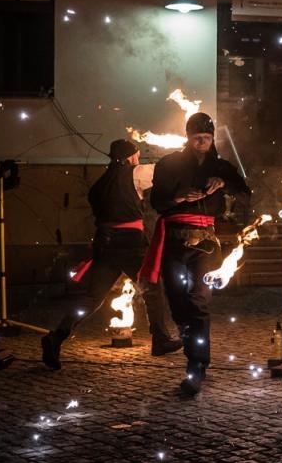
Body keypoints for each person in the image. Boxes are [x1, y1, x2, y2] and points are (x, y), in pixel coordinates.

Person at [41, 140, 182, 369]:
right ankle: (160, 339)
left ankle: (56, 337)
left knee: (91, 298)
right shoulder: (136, 173)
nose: (138, 159)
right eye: (136, 155)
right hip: (130, 244)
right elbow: (164, 171)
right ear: (129, 157)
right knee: (152, 289)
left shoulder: (98, 186)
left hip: (104, 245)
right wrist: (181, 154)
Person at [140, 112, 251, 396]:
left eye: (207, 138)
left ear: (212, 138)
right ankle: (194, 351)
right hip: (174, 241)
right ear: (188, 138)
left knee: (198, 301)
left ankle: (196, 364)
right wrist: (179, 197)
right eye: (197, 138)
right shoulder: (169, 164)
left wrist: (223, 183)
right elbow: (157, 201)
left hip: (206, 244)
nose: (202, 142)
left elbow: (246, 194)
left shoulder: (221, 166)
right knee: (178, 302)